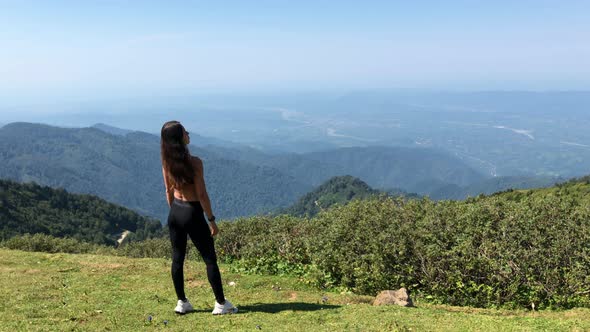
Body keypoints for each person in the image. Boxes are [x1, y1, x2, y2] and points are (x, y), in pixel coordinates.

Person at [160, 120, 237, 315]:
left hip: (175, 212)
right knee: (210, 259)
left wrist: (175, 211)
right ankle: (220, 304)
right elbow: (201, 195)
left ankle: (182, 302)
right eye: (185, 131)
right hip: (192, 212)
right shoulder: (195, 163)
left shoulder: (166, 162)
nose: (188, 133)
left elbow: (168, 191)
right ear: (180, 139)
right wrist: (211, 219)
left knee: (177, 259)